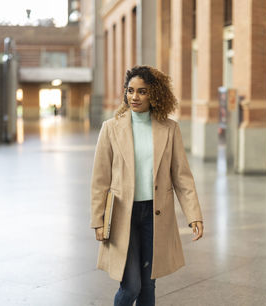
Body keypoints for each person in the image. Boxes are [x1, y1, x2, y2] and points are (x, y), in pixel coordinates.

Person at [90, 65, 204, 306]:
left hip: (156, 214)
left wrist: (194, 215)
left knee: (148, 285)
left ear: (154, 94)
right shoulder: (110, 129)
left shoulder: (170, 129)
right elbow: (100, 180)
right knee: (131, 286)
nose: (134, 97)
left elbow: (182, 176)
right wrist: (98, 220)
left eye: (142, 91)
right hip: (123, 215)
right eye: (130, 91)